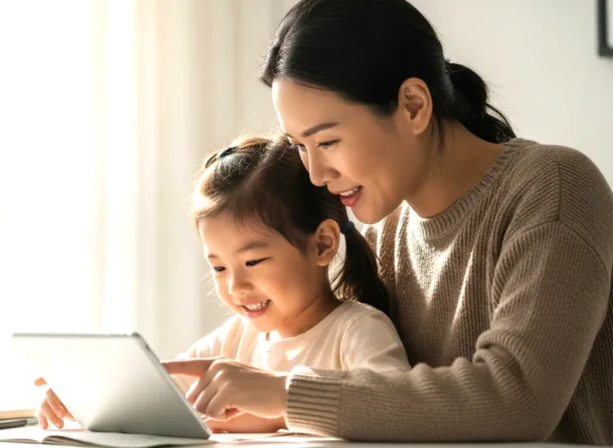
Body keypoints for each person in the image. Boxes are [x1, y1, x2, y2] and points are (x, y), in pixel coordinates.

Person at [164, 0, 613, 445]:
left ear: (413, 106)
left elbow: (517, 399)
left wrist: (284, 395)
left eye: (328, 141)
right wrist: (265, 410)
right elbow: (384, 399)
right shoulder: (386, 227)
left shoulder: (552, 187)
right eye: (300, 146)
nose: (316, 174)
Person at [35, 137, 410, 433]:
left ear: (322, 245)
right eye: (218, 267)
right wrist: (87, 397)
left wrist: (280, 409)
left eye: (253, 262)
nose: (235, 285)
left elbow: (395, 410)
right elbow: (159, 399)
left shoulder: (357, 330)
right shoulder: (235, 338)